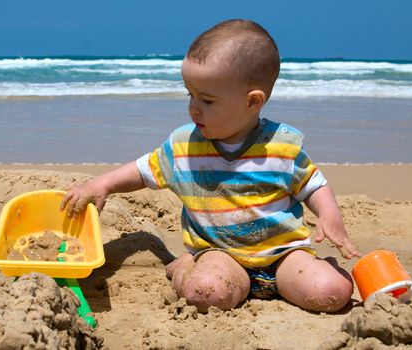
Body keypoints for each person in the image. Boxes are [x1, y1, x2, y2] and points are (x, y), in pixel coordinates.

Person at [60, 19, 360, 313]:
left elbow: (313, 185)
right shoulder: (184, 146)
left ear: (253, 102)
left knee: (333, 293)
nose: (193, 108)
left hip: (282, 255)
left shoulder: (281, 146)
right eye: (190, 94)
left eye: (207, 100)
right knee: (203, 293)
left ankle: (310, 275)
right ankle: (184, 268)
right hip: (219, 254)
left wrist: (329, 215)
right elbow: (143, 170)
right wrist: (103, 185)